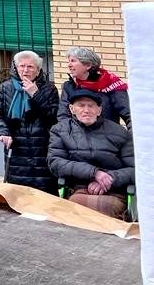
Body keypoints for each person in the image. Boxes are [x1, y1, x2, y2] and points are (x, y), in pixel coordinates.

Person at [48, 89, 135, 219]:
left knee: (109, 208)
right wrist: (94, 173)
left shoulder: (120, 132)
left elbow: (135, 169)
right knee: (77, 206)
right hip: (79, 188)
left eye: (91, 105)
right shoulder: (60, 130)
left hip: (114, 189)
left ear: (99, 110)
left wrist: (109, 179)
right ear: (72, 109)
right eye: (81, 105)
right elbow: (55, 163)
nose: (86, 110)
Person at [0, 50, 60, 194]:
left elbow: (53, 117)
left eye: (30, 67)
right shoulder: (6, 87)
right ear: (15, 67)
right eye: (22, 66)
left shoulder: (49, 89)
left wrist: (36, 94)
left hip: (42, 149)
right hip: (17, 149)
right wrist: (3, 132)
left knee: (45, 196)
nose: (25, 70)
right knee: (18, 195)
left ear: (38, 70)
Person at [58, 47, 130, 128]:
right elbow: (63, 116)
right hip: (77, 137)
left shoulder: (111, 84)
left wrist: (132, 138)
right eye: (69, 61)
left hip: (108, 136)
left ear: (88, 65)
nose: (69, 65)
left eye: (73, 61)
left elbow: (129, 115)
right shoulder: (69, 86)